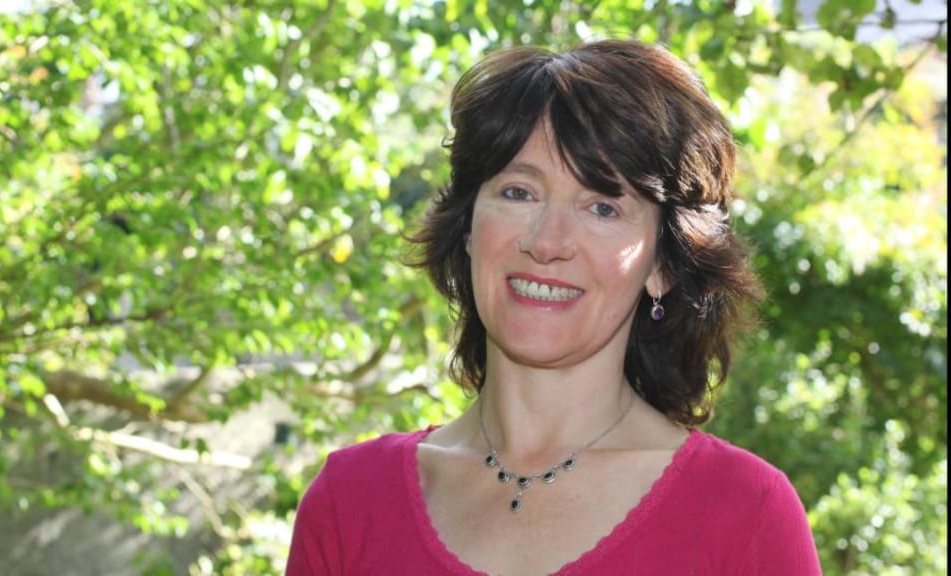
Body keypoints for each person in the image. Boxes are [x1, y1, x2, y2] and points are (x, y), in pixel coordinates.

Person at [285, 38, 823, 575]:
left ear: (663, 264)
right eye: (520, 193)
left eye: (602, 207)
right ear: (469, 227)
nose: (547, 241)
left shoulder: (744, 513)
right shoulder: (349, 503)